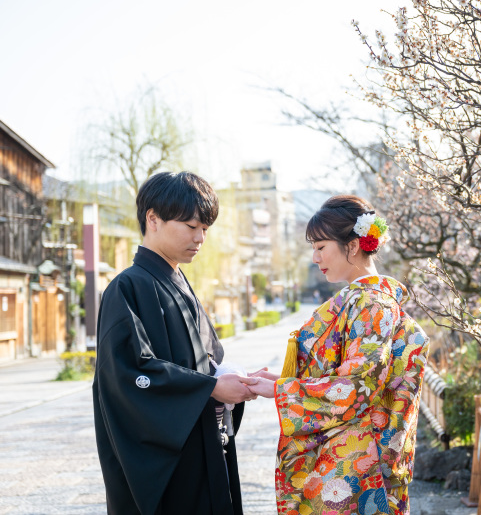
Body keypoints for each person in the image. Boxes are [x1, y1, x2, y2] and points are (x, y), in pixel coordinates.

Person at [249, 195, 430, 515]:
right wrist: (284, 381)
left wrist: (281, 391)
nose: (315, 257)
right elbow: (352, 374)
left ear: (353, 245)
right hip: (358, 460)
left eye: (321, 247)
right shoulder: (368, 300)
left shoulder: (372, 303)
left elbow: (357, 387)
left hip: (358, 470)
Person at [92, 171, 258, 515]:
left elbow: (207, 359)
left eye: (205, 229)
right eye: (190, 226)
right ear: (153, 219)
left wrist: (232, 379)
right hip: (169, 458)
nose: (200, 238)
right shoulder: (126, 287)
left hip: (202, 439)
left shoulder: (179, 281)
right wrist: (211, 387)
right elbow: (129, 374)